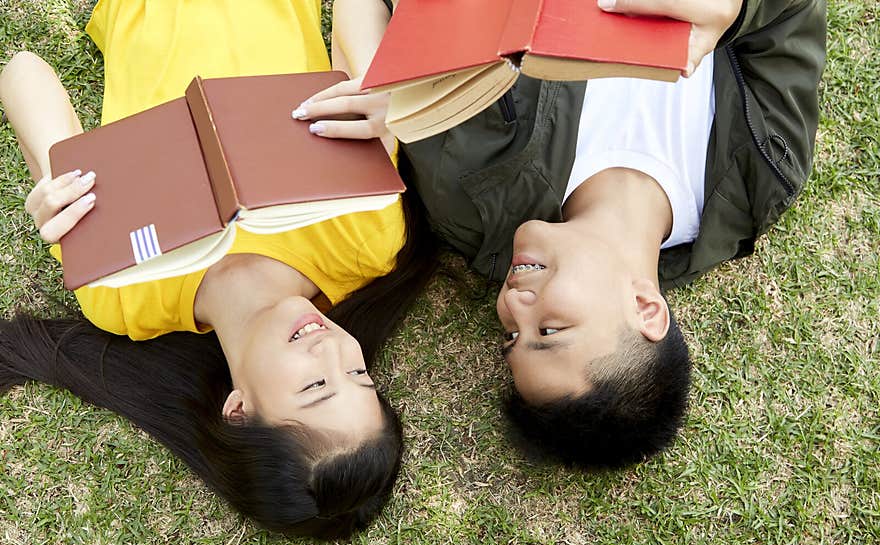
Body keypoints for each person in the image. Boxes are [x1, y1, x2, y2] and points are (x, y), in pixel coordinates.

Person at [294, 0, 826, 467]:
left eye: (511, 337)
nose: (513, 306)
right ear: (645, 309)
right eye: (549, 331)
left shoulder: (472, 201)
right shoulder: (763, 175)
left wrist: (392, 84)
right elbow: (791, 15)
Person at [0, 0, 435, 539]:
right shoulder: (366, 241)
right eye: (358, 374)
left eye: (317, 385)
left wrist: (53, 174)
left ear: (239, 410)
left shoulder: (122, 293)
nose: (334, 349)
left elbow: (23, 71)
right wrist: (379, 93)